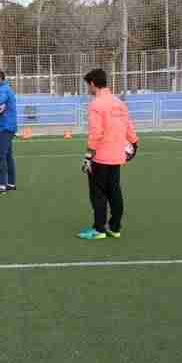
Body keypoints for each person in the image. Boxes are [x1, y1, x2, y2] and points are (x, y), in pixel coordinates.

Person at [78, 69, 139, 240]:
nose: (87, 89)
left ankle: (99, 229)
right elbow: (129, 127)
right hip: (117, 156)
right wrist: (134, 143)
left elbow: (96, 133)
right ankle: (115, 227)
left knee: (98, 194)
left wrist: (88, 156)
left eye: (87, 85)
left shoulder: (96, 105)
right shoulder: (119, 103)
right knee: (114, 191)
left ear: (92, 84)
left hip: (100, 156)